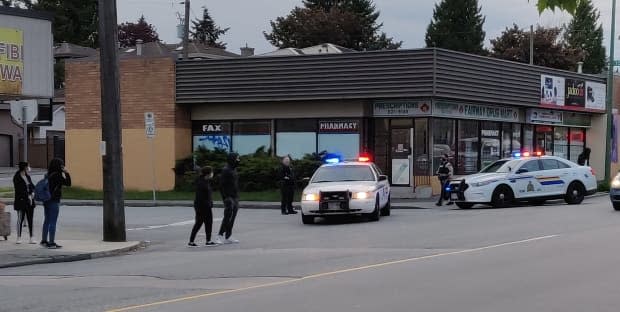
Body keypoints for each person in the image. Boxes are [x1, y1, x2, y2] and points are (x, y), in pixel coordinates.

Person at [41, 158, 71, 249]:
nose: (63, 167)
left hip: (46, 200)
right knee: (53, 222)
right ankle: (51, 242)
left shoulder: (47, 174)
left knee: (46, 220)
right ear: (59, 166)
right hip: (54, 200)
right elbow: (68, 183)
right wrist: (66, 172)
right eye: (62, 165)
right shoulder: (58, 175)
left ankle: (44, 241)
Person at [215, 153, 241, 244]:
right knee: (227, 217)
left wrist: (237, 195)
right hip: (228, 197)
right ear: (232, 159)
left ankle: (228, 235)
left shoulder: (234, 170)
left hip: (235, 196)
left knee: (232, 217)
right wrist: (225, 198)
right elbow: (221, 185)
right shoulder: (226, 170)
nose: (239, 160)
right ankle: (219, 235)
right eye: (237, 158)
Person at [188, 166, 216, 247]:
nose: (212, 174)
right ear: (208, 174)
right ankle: (191, 241)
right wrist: (207, 204)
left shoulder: (205, 181)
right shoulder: (201, 183)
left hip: (206, 205)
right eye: (211, 172)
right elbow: (201, 196)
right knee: (199, 223)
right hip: (202, 206)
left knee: (208, 223)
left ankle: (208, 240)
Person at [13, 162, 36, 244]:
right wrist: (28, 195)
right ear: (24, 167)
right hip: (21, 201)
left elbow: (32, 186)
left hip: (30, 201)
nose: (29, 168)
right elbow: (19, 190)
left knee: (30, 219)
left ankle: (32, 237)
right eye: (28, 166)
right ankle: (18, 237)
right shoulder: (17, 177)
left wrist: (33, 192)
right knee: (20, 219)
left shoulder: (27, 176)